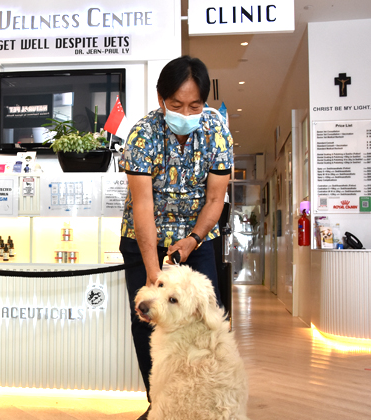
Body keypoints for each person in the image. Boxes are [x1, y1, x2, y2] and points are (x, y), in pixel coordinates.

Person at [118, 56, 233, 420]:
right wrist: (155, 276)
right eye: (177, 105)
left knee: (205, 321)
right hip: (145, 240)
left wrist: (194, 240)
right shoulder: (143, 134)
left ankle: (202, 404)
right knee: (148, 321)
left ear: (205, 101)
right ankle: (161, 406)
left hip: (197, 238)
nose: (186, 112)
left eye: (195, 105)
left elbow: (216, 198)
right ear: (160, 99)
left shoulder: (217, 131)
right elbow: (143, 207)